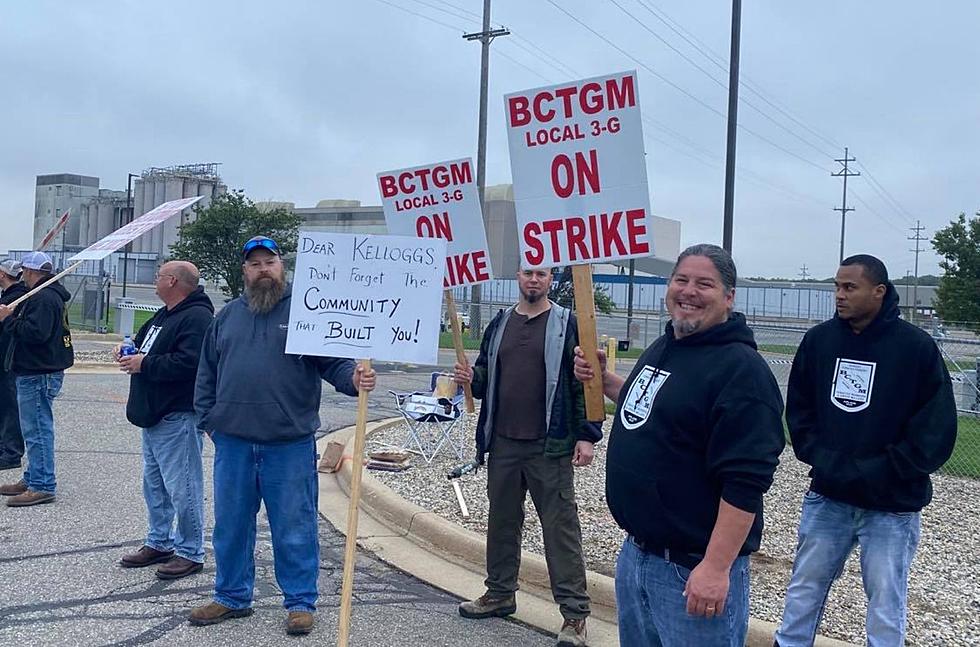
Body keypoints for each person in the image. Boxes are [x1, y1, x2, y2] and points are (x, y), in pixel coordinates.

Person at [574, 244, 785, 647]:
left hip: (691, 572)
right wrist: (605, 378)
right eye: (681, 280)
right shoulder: (668, 345)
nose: (688, 291)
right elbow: (655, 405)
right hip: (637, 557)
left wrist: (716, 568)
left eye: (704, 284)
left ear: (728, 297)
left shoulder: (741, 372)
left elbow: (745, 483)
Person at [189, 236, 376, 636]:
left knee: (294, 526)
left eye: (269, 262)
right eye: (254, 263)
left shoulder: (307, 312)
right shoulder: (227, 317)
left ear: (282, 266)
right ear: (244, 271)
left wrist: (354, 379)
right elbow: (207, 371)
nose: (262, 270)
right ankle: (232, 596)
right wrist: (208, 419)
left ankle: (299, 602)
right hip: (234, 444)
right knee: (231, 525)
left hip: (288, 445)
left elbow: (335, 364)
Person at [773, 255, 956, 647]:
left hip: (891, 507)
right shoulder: (820, 341)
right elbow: (801, 411)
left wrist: (879, 469)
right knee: (804, 592)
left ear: (879, 291)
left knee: (887, 604)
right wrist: (824, 459)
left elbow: (934, 431)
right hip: (829, 498)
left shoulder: (916, 349)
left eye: (849, 287)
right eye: (837, 287)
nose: (839, 295)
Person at [453, 268, 602, 647]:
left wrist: (586, 435)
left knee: (560, 530)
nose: (533, 280)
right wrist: (471, 377)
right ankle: (500, 593)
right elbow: (487, 377)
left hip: (549, 446)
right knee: (502, 522)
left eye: (541, 274)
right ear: (517, 276)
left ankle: (574, 615)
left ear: (551, 279)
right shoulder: (501, 322)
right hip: (502, 443)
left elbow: (583, 381)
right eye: (527, 273)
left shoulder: (567, 324)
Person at [116, 261, 214, 580]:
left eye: (158, 276)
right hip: (153, 414)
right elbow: (145, 344)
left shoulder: (196, 317)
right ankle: (160, 541)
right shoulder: (166, 314)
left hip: (177, 415)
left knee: (182, 486)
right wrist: (128, 349)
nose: (155, 281)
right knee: (155, 485)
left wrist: (145, 364)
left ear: (172, 281)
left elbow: (191, 363)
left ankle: (190, 551)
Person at [0, 251, 74, 507]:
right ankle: (32, 477)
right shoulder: (43, 295)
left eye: (24, 272)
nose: (22, 277)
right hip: (36, 370)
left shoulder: (43, 298)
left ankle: (42, 484)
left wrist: (9, 320)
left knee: (38, 429)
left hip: (39, 371)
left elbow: (36, 333)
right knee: (33, 428)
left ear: (32, 272)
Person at [0, 260, 28, 471]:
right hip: (5, 358)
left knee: (9, 405)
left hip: (9, 360)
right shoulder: (10, 296)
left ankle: (11, 451)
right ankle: (4, 447)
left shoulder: (16, 299)